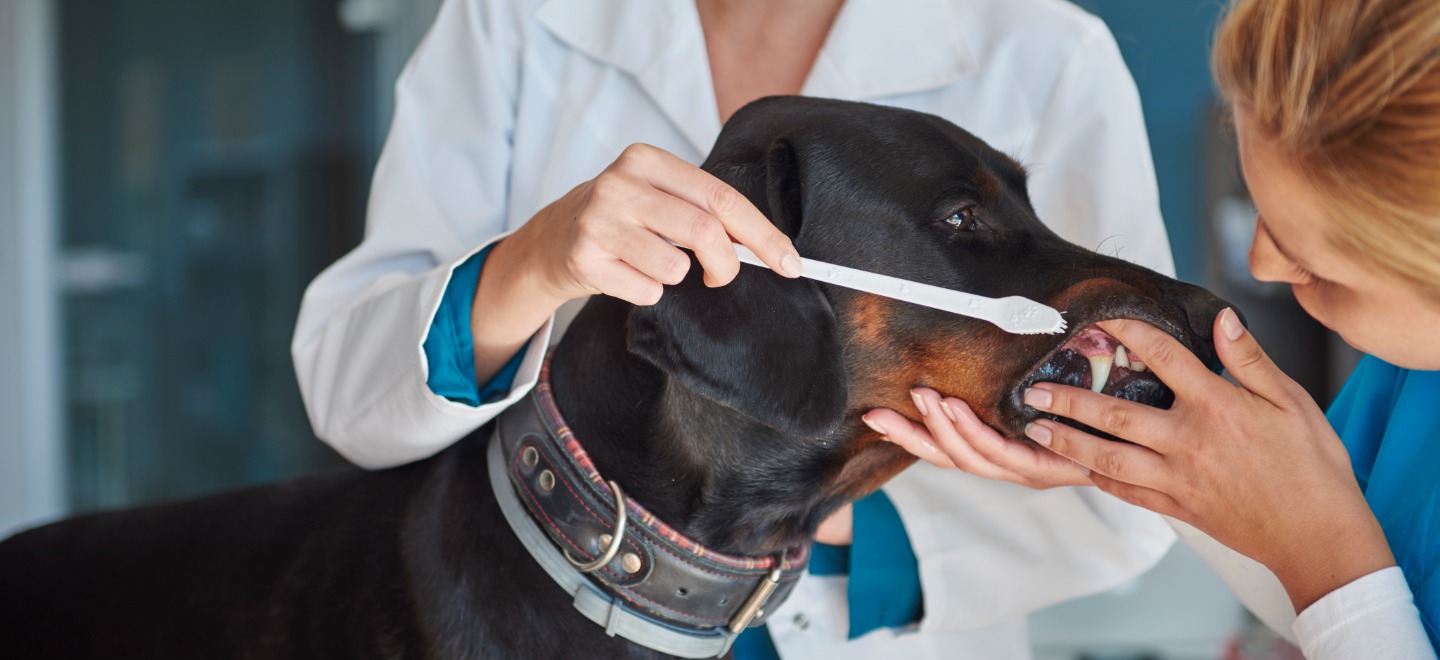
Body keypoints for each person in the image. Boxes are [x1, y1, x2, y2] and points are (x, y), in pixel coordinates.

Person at [292, 0, 1182, 656]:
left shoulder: (1045, 52)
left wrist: (778, 531)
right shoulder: (516, 21)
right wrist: (535, 259)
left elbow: (1148, 494)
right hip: (525, 613)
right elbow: (348, 391)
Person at [873, 0, 1440, 657]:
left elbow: (1345, 587)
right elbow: (1336, 603)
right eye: (1261, 207)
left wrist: (1324, 542)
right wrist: (1173, 470)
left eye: (1320, 270)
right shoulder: (1408, 371)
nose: (1260, 263)